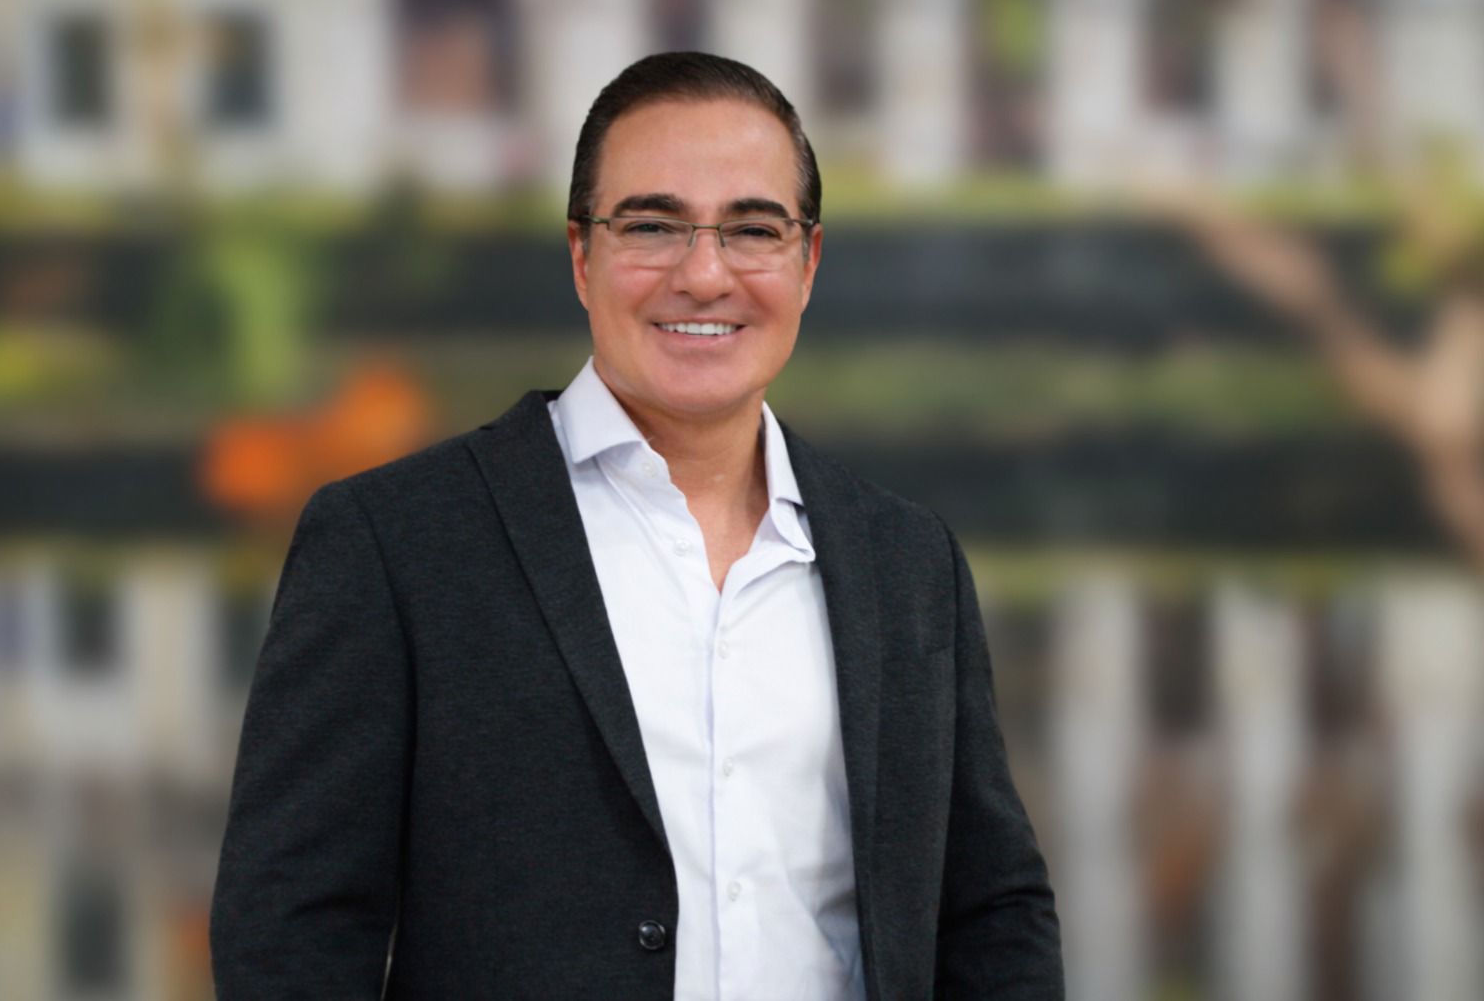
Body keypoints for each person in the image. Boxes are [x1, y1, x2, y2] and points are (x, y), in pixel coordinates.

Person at [210, 51, 1062, 1000]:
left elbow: (992, 908)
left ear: (809, 263)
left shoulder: (908, 564)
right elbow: (289, 929)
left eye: (753, 230)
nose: (704, 274)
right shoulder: (393, 544)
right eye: (653, 226)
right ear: (582, 256)